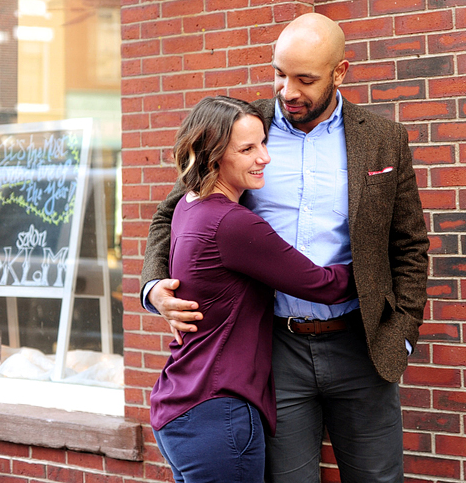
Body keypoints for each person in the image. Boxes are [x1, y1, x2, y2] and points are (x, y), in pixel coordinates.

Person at [141, 13, 430, 482]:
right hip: (275, 349)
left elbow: (410, 243)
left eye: (305, 78)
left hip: (363, 345)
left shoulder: (382, 140)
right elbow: (171, 212)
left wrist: (402, 332)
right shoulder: (246, 128)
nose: (287, 90)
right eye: (279, 73)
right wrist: (155, 287)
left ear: (340, 73)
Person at [148, 95, 356, 483]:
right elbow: (321, 285)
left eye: (264, 143)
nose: (264, 157)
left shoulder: (190, 207)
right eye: (247, 149)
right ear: (212, 157)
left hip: (181, 407)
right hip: (219, 411)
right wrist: (378, 270)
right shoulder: (232, 223)